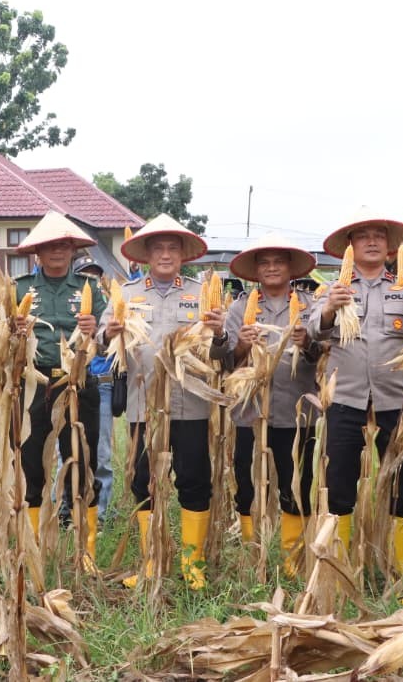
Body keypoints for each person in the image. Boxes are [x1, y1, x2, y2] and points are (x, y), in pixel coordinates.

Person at [306, 208, 403, 576]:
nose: (373, 241)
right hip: (344, 398)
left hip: (398, 399)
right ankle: (339, 569)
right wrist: (330, 308)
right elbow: (315, 334)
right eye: (364, 236)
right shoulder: (331, 289)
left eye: (380, 235)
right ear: (350, 245)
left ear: (390, 245)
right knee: (339, 484)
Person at [100, 214, 226, 589]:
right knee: (144, 483)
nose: (166, 254)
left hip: (192, 404)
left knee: (194, 481)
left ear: (184, 255)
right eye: (159, 247)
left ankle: (193, 566)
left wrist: (219, 334)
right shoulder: (127, 294)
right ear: (147, 254)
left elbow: (222, 353)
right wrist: (110, 334)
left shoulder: (201, 294)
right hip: (144, 406)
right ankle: (153, 560)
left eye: (173, 248)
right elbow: (105, 346)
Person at [12, 213, 106, 559]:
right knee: (32, 465)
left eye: (64, 245)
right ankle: (33, 548)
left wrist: (96, 328)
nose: (57, 251)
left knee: (83, 462)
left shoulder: (90, 289)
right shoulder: (19, 288)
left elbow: (109, 339)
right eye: (50, 245)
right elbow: (2, 338)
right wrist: (13, 333)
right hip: (35, 385)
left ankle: (87, 551)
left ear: (72, 250)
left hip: (79, 383)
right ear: (38, 251)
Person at [223, 233, 319, 569]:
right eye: (265, 262)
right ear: (256, 270)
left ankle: (293, 557)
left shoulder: (312, 306)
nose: (272, 267)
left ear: (291, 267)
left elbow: (323, 354)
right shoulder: (238, 309)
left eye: (279, 261)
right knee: (248, 483)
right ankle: (254, 552)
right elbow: (225, 362)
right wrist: (241, 347)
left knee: (297, 483)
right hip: (250, 414)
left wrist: (307, 342)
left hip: (298, 412)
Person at [73, 253, 117, 517]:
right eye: (84, 275)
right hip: (69, 384)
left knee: (100, 453)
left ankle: (100, 513)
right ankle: (64, 509)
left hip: (101, 385)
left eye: (94, 274)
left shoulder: (106, 307)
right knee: (64, 452)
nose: (90, 279)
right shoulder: (67, 306)